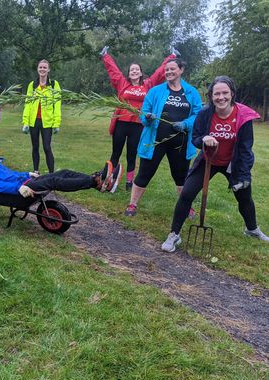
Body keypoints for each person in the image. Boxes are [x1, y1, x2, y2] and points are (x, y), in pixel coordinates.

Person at [162, 76, 269, 251]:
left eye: (225, 93)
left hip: (233, 163)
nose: (221, 97)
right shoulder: (205, 114)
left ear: (232, 94)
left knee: (244, 197)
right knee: (187, 193)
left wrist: (243, 174)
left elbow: (245, 148)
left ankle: (252, 229)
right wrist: (204, 138)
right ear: (211, 96)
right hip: (208, 160)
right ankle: (174, 234)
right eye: (216, 93)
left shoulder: (243, 116)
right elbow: (195, 138)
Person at [125, 58, 202, 217]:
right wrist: (148, 117)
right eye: (166, 70)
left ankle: (186, 206)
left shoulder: (191, 92)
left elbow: (198, 115)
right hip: (155, 141)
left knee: (181, 176)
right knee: (145, 173)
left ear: (181, 70)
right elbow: (143, 114)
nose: (169, 72)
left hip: (179, 142)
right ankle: (132, 204)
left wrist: (186, 124)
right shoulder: (155, 91)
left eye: (172, 69)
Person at [100, 46, 178, 190]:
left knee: (132, 154)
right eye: (132, 70)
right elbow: (113, 71)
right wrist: (105, 57)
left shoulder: (148, 84)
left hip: (137, 125)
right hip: (121, 124)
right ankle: (108, 180)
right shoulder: (123, 84)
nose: (134, 71)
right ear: (129, 74)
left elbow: (160, 72)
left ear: (141, 72)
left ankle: (129, 183)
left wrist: (171, 57)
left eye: (137, 69)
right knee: (115, 153)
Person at [0, 142, 123, 197]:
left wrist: (27, 174)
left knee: (64, 172)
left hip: (26, 182)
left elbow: (12, 175)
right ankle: (96, 181)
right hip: (22, 189)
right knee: (53, 180)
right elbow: (0, 186)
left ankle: (98, 180)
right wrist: (19, 187)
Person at [22, 59, 61, 173]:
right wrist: (25, 122)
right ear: (37, 69)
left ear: (48, 70)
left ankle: (51, 173)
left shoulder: (54, 85)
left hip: (47, 122)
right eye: (40, 67)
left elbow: (57, 104)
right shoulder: (32, 85)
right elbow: (27, 104)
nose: (42, 69)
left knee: (47, 147)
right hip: (34, 121)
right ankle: (35, 171)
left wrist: (56, 123)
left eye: (45, 67)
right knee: (35, 147)